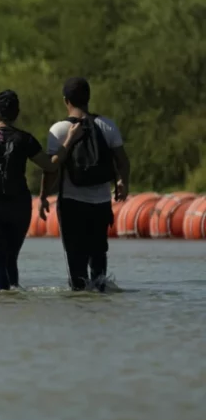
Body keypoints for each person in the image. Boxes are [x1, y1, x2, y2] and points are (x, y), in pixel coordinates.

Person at [0, 90, 80, 291]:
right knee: (10, 258)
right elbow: (51, 165)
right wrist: (69, 139)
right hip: (19, 207)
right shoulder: (25, 139)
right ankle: (13, 297)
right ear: (16, 113)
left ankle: (2, 298)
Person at [39, 77, 130, 292]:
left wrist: (43, 196)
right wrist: (122, 182)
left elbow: (52, 168)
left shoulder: (60, 129)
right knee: (98, 257)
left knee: (75, 261)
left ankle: (80, 306)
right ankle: (100, 300)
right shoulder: (107, 126)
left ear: (66, 101)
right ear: (88, 98)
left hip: (71, 203)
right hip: (100, 202)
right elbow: (123, 161)